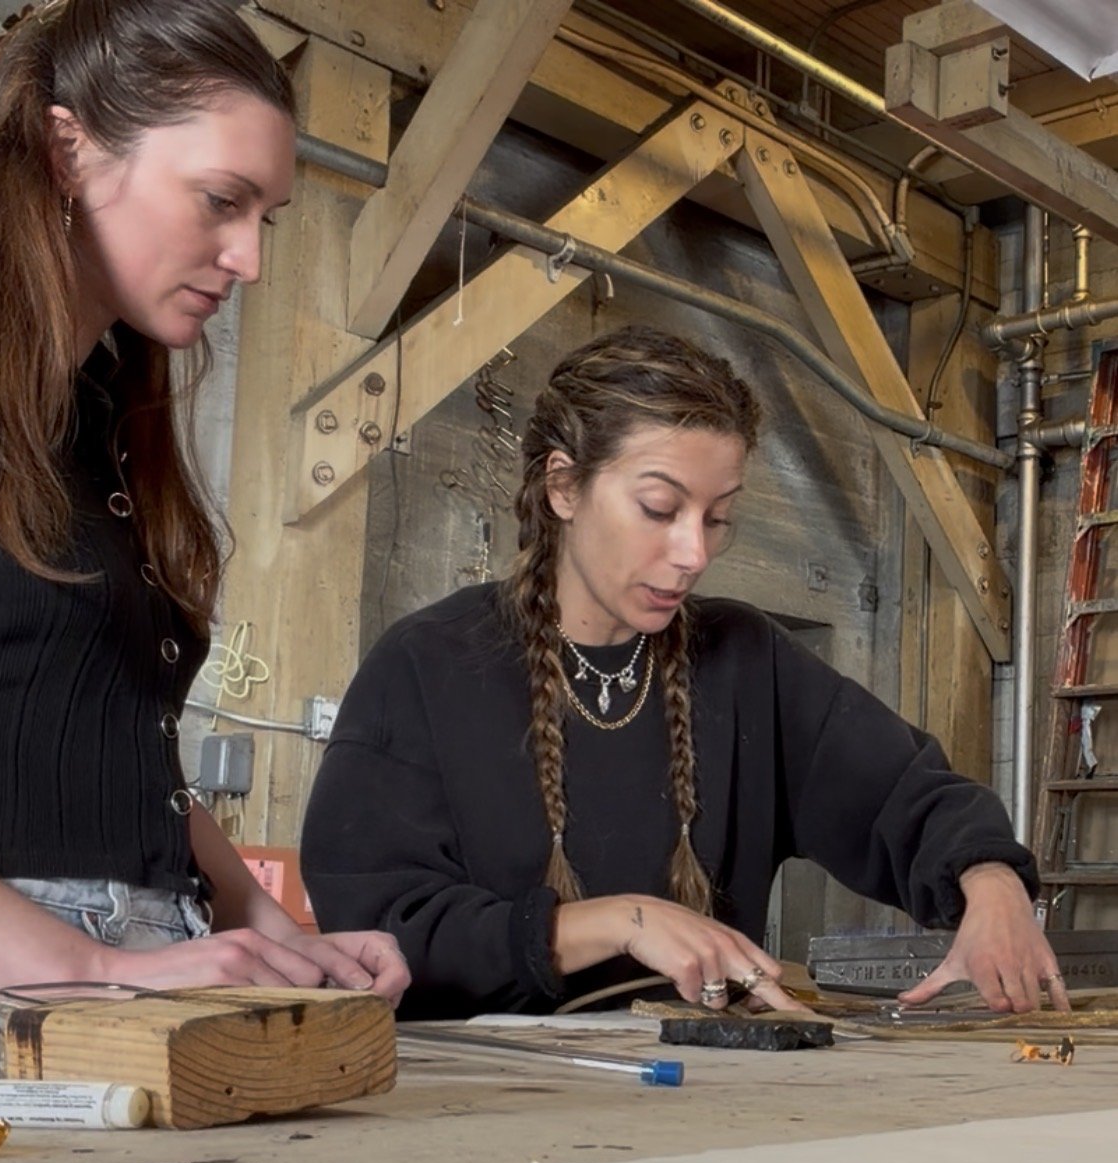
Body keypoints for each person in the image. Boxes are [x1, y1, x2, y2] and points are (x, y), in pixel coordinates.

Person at [300, 325, 1065, 1020]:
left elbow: (902, 794)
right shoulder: (425, 665)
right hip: (477, 1113)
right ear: (563, 486)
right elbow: (378, 931)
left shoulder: (746, 660)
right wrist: (621, 922)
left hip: (703, 1101)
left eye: (717, 515)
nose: (694, 553)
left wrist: (992, 881)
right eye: (661, 508)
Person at [0, 0, 408, 1021]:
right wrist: (90, 969)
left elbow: (98, 743)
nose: (250, 261)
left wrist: (268, 932)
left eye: (261, 219)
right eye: (219, 201)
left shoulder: (99, 405)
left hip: (133, 956)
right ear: (66, 150)